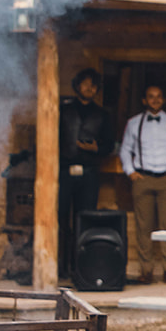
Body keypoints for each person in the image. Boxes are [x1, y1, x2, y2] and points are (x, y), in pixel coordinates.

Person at [120, 85, 166, 285]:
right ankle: (145, 270)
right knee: (143, 226)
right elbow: (125, 149)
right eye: (151, 97)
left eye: (158, 97)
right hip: (143, 178)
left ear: (163, 99)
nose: (155, 100)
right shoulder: (134, 123)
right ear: (144, 100)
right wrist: (130, 171)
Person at [58, 69, 114, 274]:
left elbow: (109, 145)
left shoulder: (102, 114)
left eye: (93, 86)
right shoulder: (63, 111)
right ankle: (59, 266)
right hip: (64, 171)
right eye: (86, 84)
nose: (89, 89)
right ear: (77, 86)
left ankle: (79, 267)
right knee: (60, 219)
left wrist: (96, 148)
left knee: (84, 220)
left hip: (89, 173)